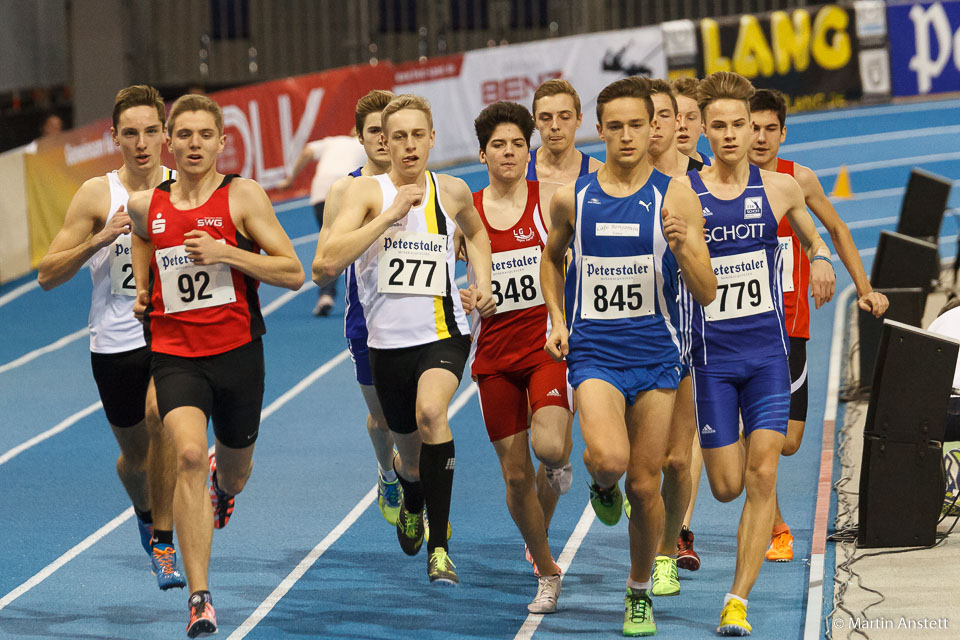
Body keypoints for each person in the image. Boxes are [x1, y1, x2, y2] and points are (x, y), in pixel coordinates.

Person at [541, 76, 716, 636]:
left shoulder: (676, 196)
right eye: (614, 126)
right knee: (609, 460)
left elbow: (707, 291)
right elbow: (551, 260)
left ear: (652, 127)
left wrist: (684, 246)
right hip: (595, 352)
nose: (626, 135)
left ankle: (638, 592)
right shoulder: (572, 198)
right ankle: (600, 484)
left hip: (658, 356)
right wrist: (558, 320)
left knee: (645, 486)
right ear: (599, 130)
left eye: (636, 124)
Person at [128, 94, 304, 638]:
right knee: (185, 454)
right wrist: (143, 286)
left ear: (222, 142)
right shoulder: (147, 203)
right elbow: (141, 234)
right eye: (184, 135)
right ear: (169, 143)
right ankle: (200, 598)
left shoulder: (242, 196)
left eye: (206, 135)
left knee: (234, 474)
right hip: (175, 355)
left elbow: (292, 271)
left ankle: (222, 488)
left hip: (237, 355)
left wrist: (227, 252)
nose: (194, 144)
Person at [677, 71, 835, 635]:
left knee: (764, 472)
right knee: (728, 486)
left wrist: (821, 257)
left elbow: (813, 235)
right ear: (705, 131)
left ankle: (736, 600)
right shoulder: (683, 194)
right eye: (717, 126)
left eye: (738, 124)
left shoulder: (780, 189)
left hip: (769, 355)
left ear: (751, 128)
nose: (729, 135)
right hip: (713, 361)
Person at [324, 94, 496, 585]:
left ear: (432, 138)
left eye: (418, 134)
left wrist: (482, 282)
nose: (409, 144)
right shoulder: (364, 194)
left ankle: (440, 548)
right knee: (412, 457)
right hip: (386, 345)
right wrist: (388, 215)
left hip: (444, 333)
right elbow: (325, 263)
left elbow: (477, 235)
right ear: (384, 141)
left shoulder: (453, 191)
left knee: (431, 414)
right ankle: (411, 496)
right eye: (398, 136)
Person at [36, 85, 184, 592]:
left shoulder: (185, 186)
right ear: (114, 137)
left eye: (150, 131)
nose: (141, 143)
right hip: (116, 343)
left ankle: (164, 541)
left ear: (165, 135)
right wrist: (100, 238)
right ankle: (146, 513)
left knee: (162, 419)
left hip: (173, 337)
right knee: (136, 462)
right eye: (130, 133)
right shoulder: (97, 195)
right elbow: (47, 274)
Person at [748, 88, 888, 563]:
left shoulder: (798, 179)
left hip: (791, 325)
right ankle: (775, 526)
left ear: (783, 133)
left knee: (788, 442)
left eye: (770, 129)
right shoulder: (722, 181)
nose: (760, 137)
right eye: (753, 127)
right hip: (741, 328)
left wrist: (863, 288)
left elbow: (837, 229)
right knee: (761, 436)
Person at [463, 101, 572, 613]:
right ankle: (547, 572)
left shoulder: (550, 200)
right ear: (482, 154)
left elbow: (580, 261)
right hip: (494, 355)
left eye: (517, 145)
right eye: (498, 145)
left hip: (545, 345)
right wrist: (465, 295)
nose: (509, 153)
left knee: (549, 448)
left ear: (529, 152)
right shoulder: (466, 214)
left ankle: (559, 462)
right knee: (514, 475)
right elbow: (443, 278)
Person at [311, 89, 402, 525]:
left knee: (425, 418)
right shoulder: (344, 189)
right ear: (360, 138)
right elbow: (321, 267)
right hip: (367, 321)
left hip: (424, 320)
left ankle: (422, 497)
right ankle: (388, 473)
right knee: (382, 419)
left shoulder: (425, 182)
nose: (384, 139)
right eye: (375, 131)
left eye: (391, 130)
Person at [641, 78, 704, 597]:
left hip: (687, 335)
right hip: (621, 342)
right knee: (625, 464)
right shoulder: (600, 188)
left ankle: (668, 550)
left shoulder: (696, 187)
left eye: (669, 115)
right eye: (654, 116)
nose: (664, 125)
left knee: (677, 459)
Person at [279, 128, 366, 316]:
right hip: (346, 188)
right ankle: (358, 293)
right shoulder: (364, 146)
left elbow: (306, 152)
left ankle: (326, 294)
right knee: (356, 242)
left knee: (329, 242)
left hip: (321, 191)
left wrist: (290, 179)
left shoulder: (330, 140)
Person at [527, 78, 604, 210]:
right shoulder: (518, 172)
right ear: (535, 122)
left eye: (564, 117)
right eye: (546, 118)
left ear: (578, 119)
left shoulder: (599, 175)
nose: (555, 126)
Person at [671, 77, 710, 167]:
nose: (682, 125)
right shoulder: (646, 172)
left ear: (703, 123)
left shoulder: (718, 172)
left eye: (691, 118)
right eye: (676, 118)